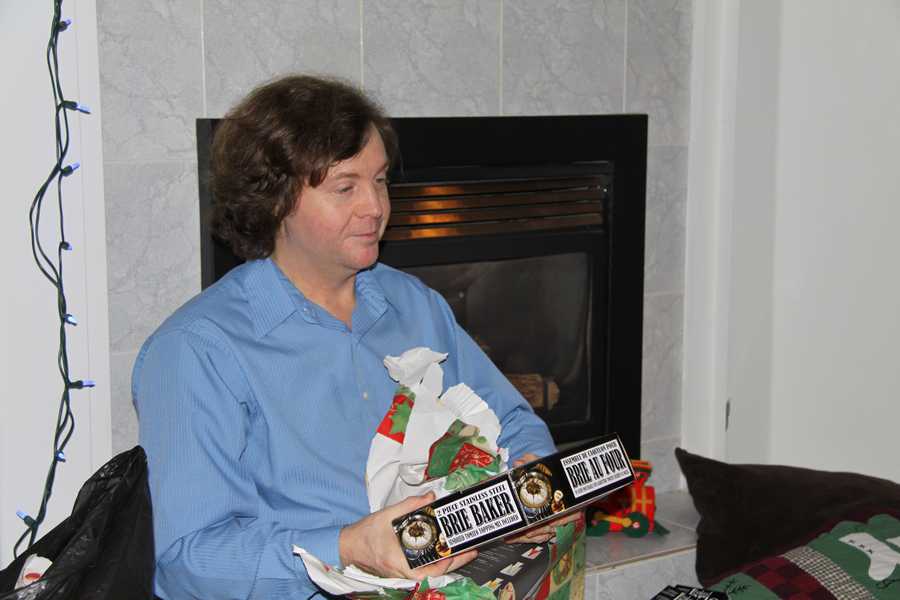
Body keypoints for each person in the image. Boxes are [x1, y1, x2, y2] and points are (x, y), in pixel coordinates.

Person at [133, 74, 561, 600]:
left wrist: (531, 480)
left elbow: (513, 421)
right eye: (345, 187)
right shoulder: (196, 350)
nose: (375, 207)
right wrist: (347, 548)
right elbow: (186, 561)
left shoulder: (414, 305)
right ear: (275, 200)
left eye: (379, 180)